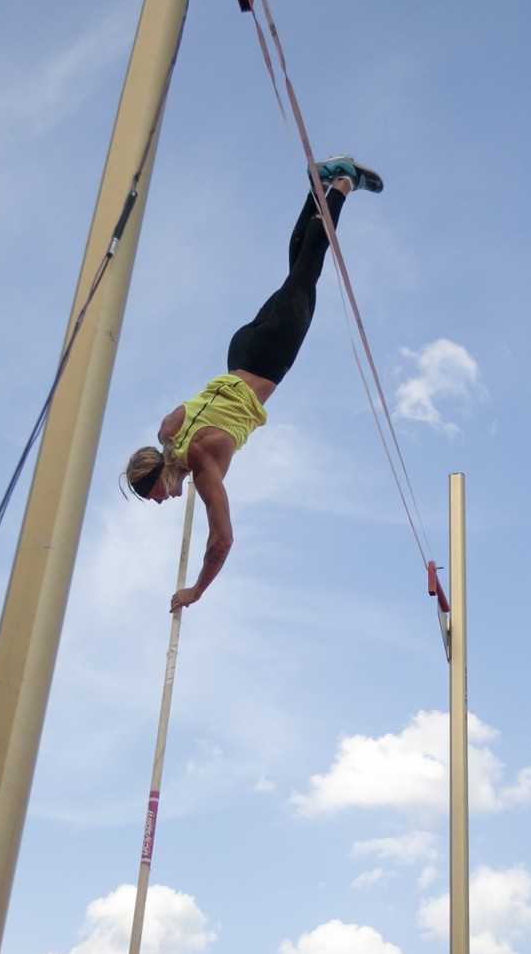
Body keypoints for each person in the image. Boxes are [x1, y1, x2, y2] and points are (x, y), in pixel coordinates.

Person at [124, 156, 383, 612]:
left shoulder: (202, 463)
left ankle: (341, 183)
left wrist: (196, 590)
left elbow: (222, 540)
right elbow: (179, 424)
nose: (161, 502)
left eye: (156, 494)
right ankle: (316, 188)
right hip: (240, 350)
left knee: (309, 268)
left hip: (268, 357)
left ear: (159, 476)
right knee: (298, 273)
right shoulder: (168, 430)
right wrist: (179, 469)